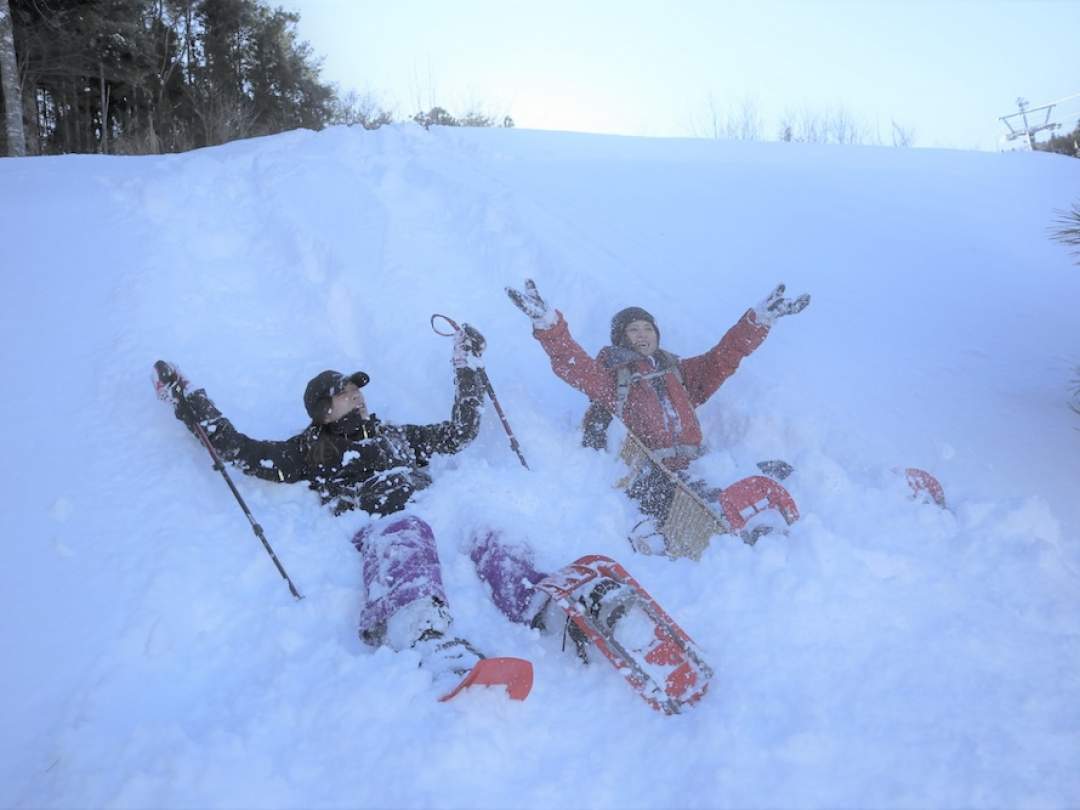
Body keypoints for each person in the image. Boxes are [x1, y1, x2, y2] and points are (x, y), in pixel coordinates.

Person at [154, 324, 509, 686]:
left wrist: (468, 366)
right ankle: (426, 638)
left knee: (488, 530)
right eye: (345, 392)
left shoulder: (397, 435)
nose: (357, 395)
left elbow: (459, 433)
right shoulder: (312, 450)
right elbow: (241, 450)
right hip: (389, 533)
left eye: (357, 389)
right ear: (323, 412)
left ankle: (542, 602)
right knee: (406, 530)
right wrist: (190, 401)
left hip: (437, 523)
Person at [506, 279, 810, 552]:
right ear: (620, 338)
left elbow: (724, 358)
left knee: (738, 477)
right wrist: (548, 325)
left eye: (648, 328)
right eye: (634, 329)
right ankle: (738, 540)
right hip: (653, 474)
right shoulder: (612, 380)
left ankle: (758, 525)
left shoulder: (678, 372)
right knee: (701, 499)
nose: (643, 334)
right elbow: (573, 365)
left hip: (695, 464)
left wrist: (757, 322)